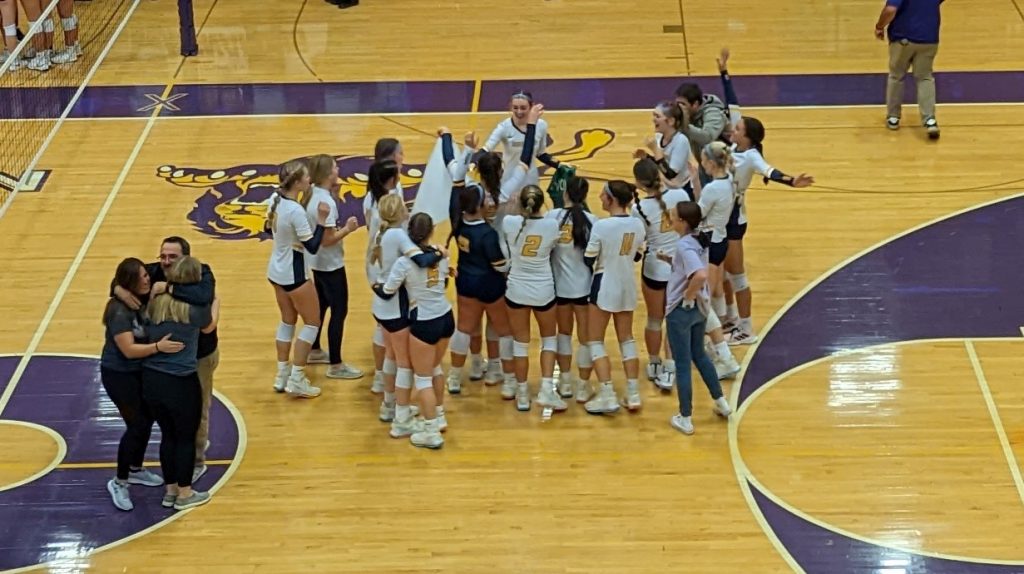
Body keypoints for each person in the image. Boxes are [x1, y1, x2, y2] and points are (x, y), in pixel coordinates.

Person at [111, 236, 216, 484]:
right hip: (164, 362)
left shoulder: (200, 272)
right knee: (171, 424)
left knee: (198, 412)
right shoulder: (153, 271)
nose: (166, 262)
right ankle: (173, 473)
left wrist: (168, 289)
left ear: (186, 258)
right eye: (163, 256)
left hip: (199, 356)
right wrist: (119, 290)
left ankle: (196, 462)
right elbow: (123, 278)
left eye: (173, 257)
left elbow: (203, 296)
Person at [101, 258, 181, 512]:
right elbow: (129, 350)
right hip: (118, 374)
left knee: (146, 421)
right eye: (142, 277)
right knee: (136, 425)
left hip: (137, 372)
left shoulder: (141, 296)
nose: (148, 279)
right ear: (129, 283)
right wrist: (158, 347)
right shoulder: (118, 311)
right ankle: (119, 481)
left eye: (146, 275)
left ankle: (135, 469)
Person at [142, 256, 217, 510]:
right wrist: (216, 304)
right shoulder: (195, 310)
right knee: (185, 438)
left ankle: (170, 491)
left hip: (152, 379)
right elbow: (209, 326)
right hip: (181, 380)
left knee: (168, 436)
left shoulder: (154, 303)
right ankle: (185, 494)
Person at [374, 213, 453, 448]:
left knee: (423, 379)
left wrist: (376, 286)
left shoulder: (404, 263)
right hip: (446, 316)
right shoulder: (441, 254)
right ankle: (439, 414)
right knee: (436, 368)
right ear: (431, 231)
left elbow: (388, 290)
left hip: (425, 321)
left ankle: (430, 432)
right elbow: (444, 282)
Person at [661, 203, 732, 435]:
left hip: (682, 310)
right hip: (701, 308)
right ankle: (721, 402)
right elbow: (694, 268)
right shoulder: (698, 238)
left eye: (673, 216)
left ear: (682, 221)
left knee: (682, 363)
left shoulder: (684, 245)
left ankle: (685, 417)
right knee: (700, 355)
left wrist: (687, 296)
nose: (670, 218)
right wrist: (671, 261)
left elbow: (700, 275)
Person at [266, 160, 330, 398]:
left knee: (287, 321)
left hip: (275, 270)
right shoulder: (296, 211)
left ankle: (282, 375)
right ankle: (297, 378)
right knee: (312, 323)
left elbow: (267, 229)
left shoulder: (274, 199)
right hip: (293, 274)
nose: (309, 180)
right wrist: (322, 220)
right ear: (296, 182)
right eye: (305, 177)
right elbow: (312, 246)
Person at [582, 181, 647, 414]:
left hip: (604, 284)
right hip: (627, 285)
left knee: (595, 340)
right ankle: (633, 394)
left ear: (612, 199)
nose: (600, 197)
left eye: (603, 194)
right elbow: (638, 255)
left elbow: (589, 259)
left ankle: (607, 394)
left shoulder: (602, 226)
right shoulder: (638, 224)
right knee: (626, 339)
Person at [630, 157, 690, 391]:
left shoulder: (638, 209)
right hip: (680, 267)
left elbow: (639, 240)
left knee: (655, 319)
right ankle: (670, 366)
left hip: (655, 268)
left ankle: (654, 362)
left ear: (639, 183)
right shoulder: (680, 195)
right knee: (674, 321)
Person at [502, 185, 563, 412]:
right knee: (549, 339)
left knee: (520, 343)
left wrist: (513, 206)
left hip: (516, 289)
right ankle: (546, 389)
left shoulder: (509, 222)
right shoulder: (551, 224)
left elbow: (510, 215)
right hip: (543, 289)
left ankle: (522, 394)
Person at [305, 154, 363, 379]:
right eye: (335, 167)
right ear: (328, 174)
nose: (338, 169)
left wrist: (335, 198)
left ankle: (315, 350)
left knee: (321, 307)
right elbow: (327, 239)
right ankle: (336, 365)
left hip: (317, 263)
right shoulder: (325, 201)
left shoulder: (313, 194)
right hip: (331, 265)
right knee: (339, 311)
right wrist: (348, 229)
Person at [546, 176, 596, 402]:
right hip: (585, 288)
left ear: (565, 193)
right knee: (586, 338)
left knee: (563, 334)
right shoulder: (592, 220)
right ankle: (583, 386)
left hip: (559, 289)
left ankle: (565, 382)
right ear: (584, 196)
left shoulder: (552, 217)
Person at [695, 142, 742, 379]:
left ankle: (725, 356)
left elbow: (697, 214)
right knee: (714, 293)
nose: (702, 164)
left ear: (711, 163)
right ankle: (717, 348)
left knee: (704, 300)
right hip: (720, 239)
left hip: (710, 242)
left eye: (703, 161)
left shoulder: (712, 188)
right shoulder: (729, 179)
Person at [875, 0, 943, 138]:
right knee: (925, 78)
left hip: (903, 39)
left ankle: (893, 117)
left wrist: (879, 26)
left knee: (896, 76)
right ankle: (930, 120)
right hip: (929, 39)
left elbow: (890, 10)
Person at [363, 159, 402, 394]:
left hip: (374, 264)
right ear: (390, 180)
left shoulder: (370, 198)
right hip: (387, 268)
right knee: (389, 326)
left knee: (381, 324)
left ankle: (381, 374)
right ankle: (386, 374)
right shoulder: (390, 209)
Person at [480, 91, 560, 187]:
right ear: (510, 107)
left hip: (531, 180)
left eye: (523, 108)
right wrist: (473, 161)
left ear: (531, 106)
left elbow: (541, 153)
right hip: (509, 180)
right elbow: (486, 149)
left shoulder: (541, 125)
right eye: (515, 108)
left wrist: (559, 164)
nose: (519, 112)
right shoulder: (504, 127)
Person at [674, 83, 727, 184]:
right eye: (678, 104)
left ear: (695, 104)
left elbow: (708, 137)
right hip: (704, 164)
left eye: (683, 104)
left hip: (722, 165)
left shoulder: (713, 112)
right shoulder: (687, 114)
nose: (680, 108)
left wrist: (685, 126)